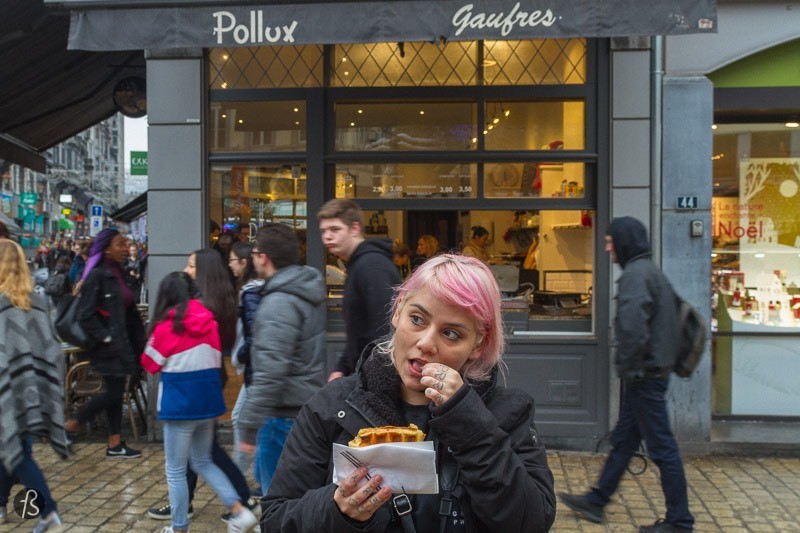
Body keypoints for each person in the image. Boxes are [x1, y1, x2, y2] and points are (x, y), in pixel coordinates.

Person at [262, 253, 555, 532]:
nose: (427, 343)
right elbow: (275, 520)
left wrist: (470, 423)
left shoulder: (506, 413)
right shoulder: (333, 406)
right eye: (417, 319)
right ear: (398, 310)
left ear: (477, 345)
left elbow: (532, 522)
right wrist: (336, 510)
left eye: (451, 333)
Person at [559, 216, 695, 533]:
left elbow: (633, 329)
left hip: (644, 376)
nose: (607, 248)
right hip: (649, 374)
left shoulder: (635, 275)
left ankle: (680, 522)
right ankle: (597, 500)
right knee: (623, 441)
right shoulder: (651, 272)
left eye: (610, 241)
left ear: (624, 241)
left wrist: (628, 368)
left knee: (663, 449)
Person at [141, 272, 258, 533]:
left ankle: (179, 527)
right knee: (203, 461)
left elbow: (150, 364)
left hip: (179, 408)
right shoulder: (210, 321)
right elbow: (216, 360)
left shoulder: (166, 326)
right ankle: (240, 512)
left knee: (175, 470)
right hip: (207, 405)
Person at [238, 223, 326, 496]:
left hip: (280, 418)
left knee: (277, 501)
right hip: (301, 410)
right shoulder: (304, 291)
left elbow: (270, 370)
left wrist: (248, 425)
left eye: (254, 253)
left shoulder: (279, 302)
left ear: (263, 257)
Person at [0, 239, 69, 532]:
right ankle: (2, 502)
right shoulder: (36, 303)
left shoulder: (3, 305)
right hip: (31, 392)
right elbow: (52, 351)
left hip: (8, 392)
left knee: (15, 452)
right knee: (13, 449)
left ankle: (48, 510)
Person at [65, 229, 146, 458]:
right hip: (108, 347)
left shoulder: (117, 272)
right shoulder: (98, 275)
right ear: (107, 248)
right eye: (121, 244)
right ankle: (73, 422)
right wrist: (106, 336)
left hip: (123, 343)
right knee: (114, 392)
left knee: (115, 391)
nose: (126, 248)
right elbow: (85, 314)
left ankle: (114, 443)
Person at [317, 199, 402, 381]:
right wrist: (343, 368)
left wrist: (368, 378)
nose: (327, 237)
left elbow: (385, 329)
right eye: (323, 231)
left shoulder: (371, 266)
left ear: (355, 229)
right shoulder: (359, 265)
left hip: (376, 379)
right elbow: (358, 331)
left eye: (335, 229)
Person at [228, 241, 264, 486]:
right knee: (245, 420)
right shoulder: (252, 289)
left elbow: (254, 333)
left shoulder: (251, 291)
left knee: (242, 419)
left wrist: (241, 354)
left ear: (244, 262)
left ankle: (239, 482)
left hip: (259, 370)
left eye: (232, 260)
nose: (229, 264)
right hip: (259, 369)